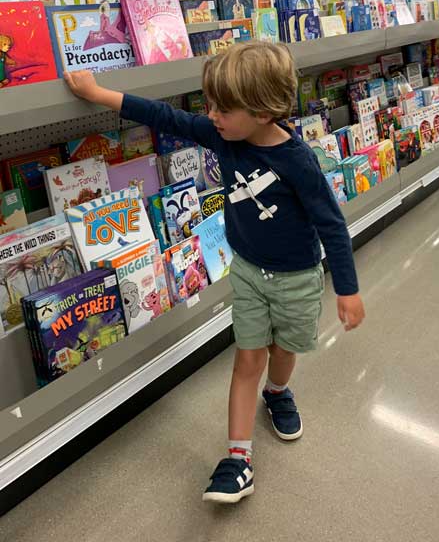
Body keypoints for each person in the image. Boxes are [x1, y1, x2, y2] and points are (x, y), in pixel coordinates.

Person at [64, 41, 365, 504]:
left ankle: (279, 392)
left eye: (224, 108)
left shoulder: (298, 163)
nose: (212, 116)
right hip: (246, 271)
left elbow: (332, 225)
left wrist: (347, 289)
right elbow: (166, 117)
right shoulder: (222, 134)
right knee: (247, 359)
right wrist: (100, 93)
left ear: (264, 113)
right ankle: (237, 459)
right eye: (211, 106)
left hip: (297, 278)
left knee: (284, 351)